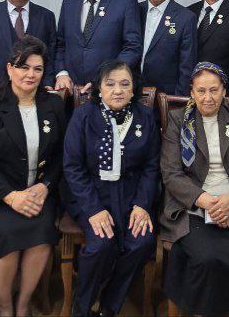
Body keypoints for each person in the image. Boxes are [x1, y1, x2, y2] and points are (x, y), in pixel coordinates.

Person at [159, 62, 229, 316]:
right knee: (207, 258)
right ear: (192, 92)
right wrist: (210, 203)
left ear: (224, 91)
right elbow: (171, 173)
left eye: (214, 90)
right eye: (201, 91)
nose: (208, 97)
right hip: (193, 204)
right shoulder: (178, 120)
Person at [0, 36, 66, 317]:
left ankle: (23, 304)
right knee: (6, 232)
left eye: (37, 69)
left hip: (37, 193)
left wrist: (46, 186)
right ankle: (5, 305)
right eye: (24, 67)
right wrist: (11, 197)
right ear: (10, 69)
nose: (30, 74)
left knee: (42, 231)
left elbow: (62, 155)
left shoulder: (54, 104)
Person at [63, 60, 159, 317]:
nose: (118, 90)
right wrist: (94, 210)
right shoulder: (83, 116)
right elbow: (72, 167)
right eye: (111, 84)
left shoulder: (145, 116)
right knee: (102, 245)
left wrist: (142, 205)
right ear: (99, 88)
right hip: (91, 193)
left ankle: (109, 306)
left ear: (133, 88)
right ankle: (81, 308)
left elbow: (151, 167)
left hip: (132, 194)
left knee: (142, 242)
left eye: (125, 84)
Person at [54, 0, 142, 94]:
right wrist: (61, 73)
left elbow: (132, 47)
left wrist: (108, 78)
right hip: (72, 91)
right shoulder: (69, 3)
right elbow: (60, 44)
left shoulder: (125, 2)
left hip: (110, 91)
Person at [138, 0, 196, 96]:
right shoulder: (133, 11)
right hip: (131, 94)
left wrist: (177, 101)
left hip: (165, 97)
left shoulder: (185, 17)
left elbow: (186, 66)